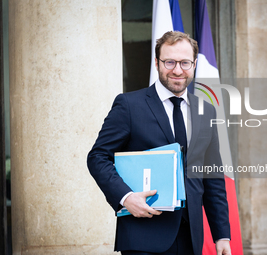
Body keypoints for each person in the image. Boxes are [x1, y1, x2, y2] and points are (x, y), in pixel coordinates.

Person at [87, 31, 231, 255]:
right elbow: (97, 157)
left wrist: (222, 235)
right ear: (157, 63)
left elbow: (212, 178)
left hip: (191, 239)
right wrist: (126, 198)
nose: (177, 70)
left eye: (184, 63)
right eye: (169, 62)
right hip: (143, 236)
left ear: (193, 65)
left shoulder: (206, 110)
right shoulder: (129, 105)